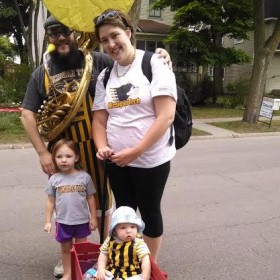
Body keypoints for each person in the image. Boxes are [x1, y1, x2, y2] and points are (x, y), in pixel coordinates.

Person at [21, 14, 171, 277]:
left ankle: (105, 252)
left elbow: (127, 59)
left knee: (102, 202)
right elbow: (27, 114)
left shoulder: (97, 61)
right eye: (54, 34)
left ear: (74, 33)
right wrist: (43, 152)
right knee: (68, 201)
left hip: (97, 147)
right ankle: (68, 257)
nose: (60, 38)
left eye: (65, 31)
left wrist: (161, 54)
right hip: (63, 152)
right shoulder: (41, 72)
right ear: (49, 39)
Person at [92, 9, 177, 263]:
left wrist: (136, 151)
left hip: (150, 159)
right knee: (125, 213)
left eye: (115, 35)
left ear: (128, 33)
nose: (110, 44)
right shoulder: (106, 75)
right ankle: (129, 260)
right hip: (117, 160)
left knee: (149, 213)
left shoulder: (153, 63)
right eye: (104, 40)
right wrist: (102, 146)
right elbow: (99, 119)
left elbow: (166, 116)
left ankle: (149, 267)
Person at [44, 139, 98, 280]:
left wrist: (93, 218)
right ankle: (68, 273)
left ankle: (80, 273)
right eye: (59, 157)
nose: (64, 160)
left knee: (81, 250)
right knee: (66, 249)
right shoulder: (54, 179)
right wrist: (48, 221)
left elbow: (91, 199)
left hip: (81, 221)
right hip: (63, 222)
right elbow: (50, 201)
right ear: (54, 159)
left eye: (68, 156)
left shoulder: (85, 177)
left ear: (76, 157)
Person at [96, 206, 151, 280]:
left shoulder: (138, 242)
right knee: (97, 276)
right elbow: (103, 254)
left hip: (132, 274)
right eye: (123, 228)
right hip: (113, 271)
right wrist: (101, 269)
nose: (129, 231)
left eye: (132, 227)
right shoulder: (110, 239)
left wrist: (145, 277)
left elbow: (145, 258)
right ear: (115, 230)